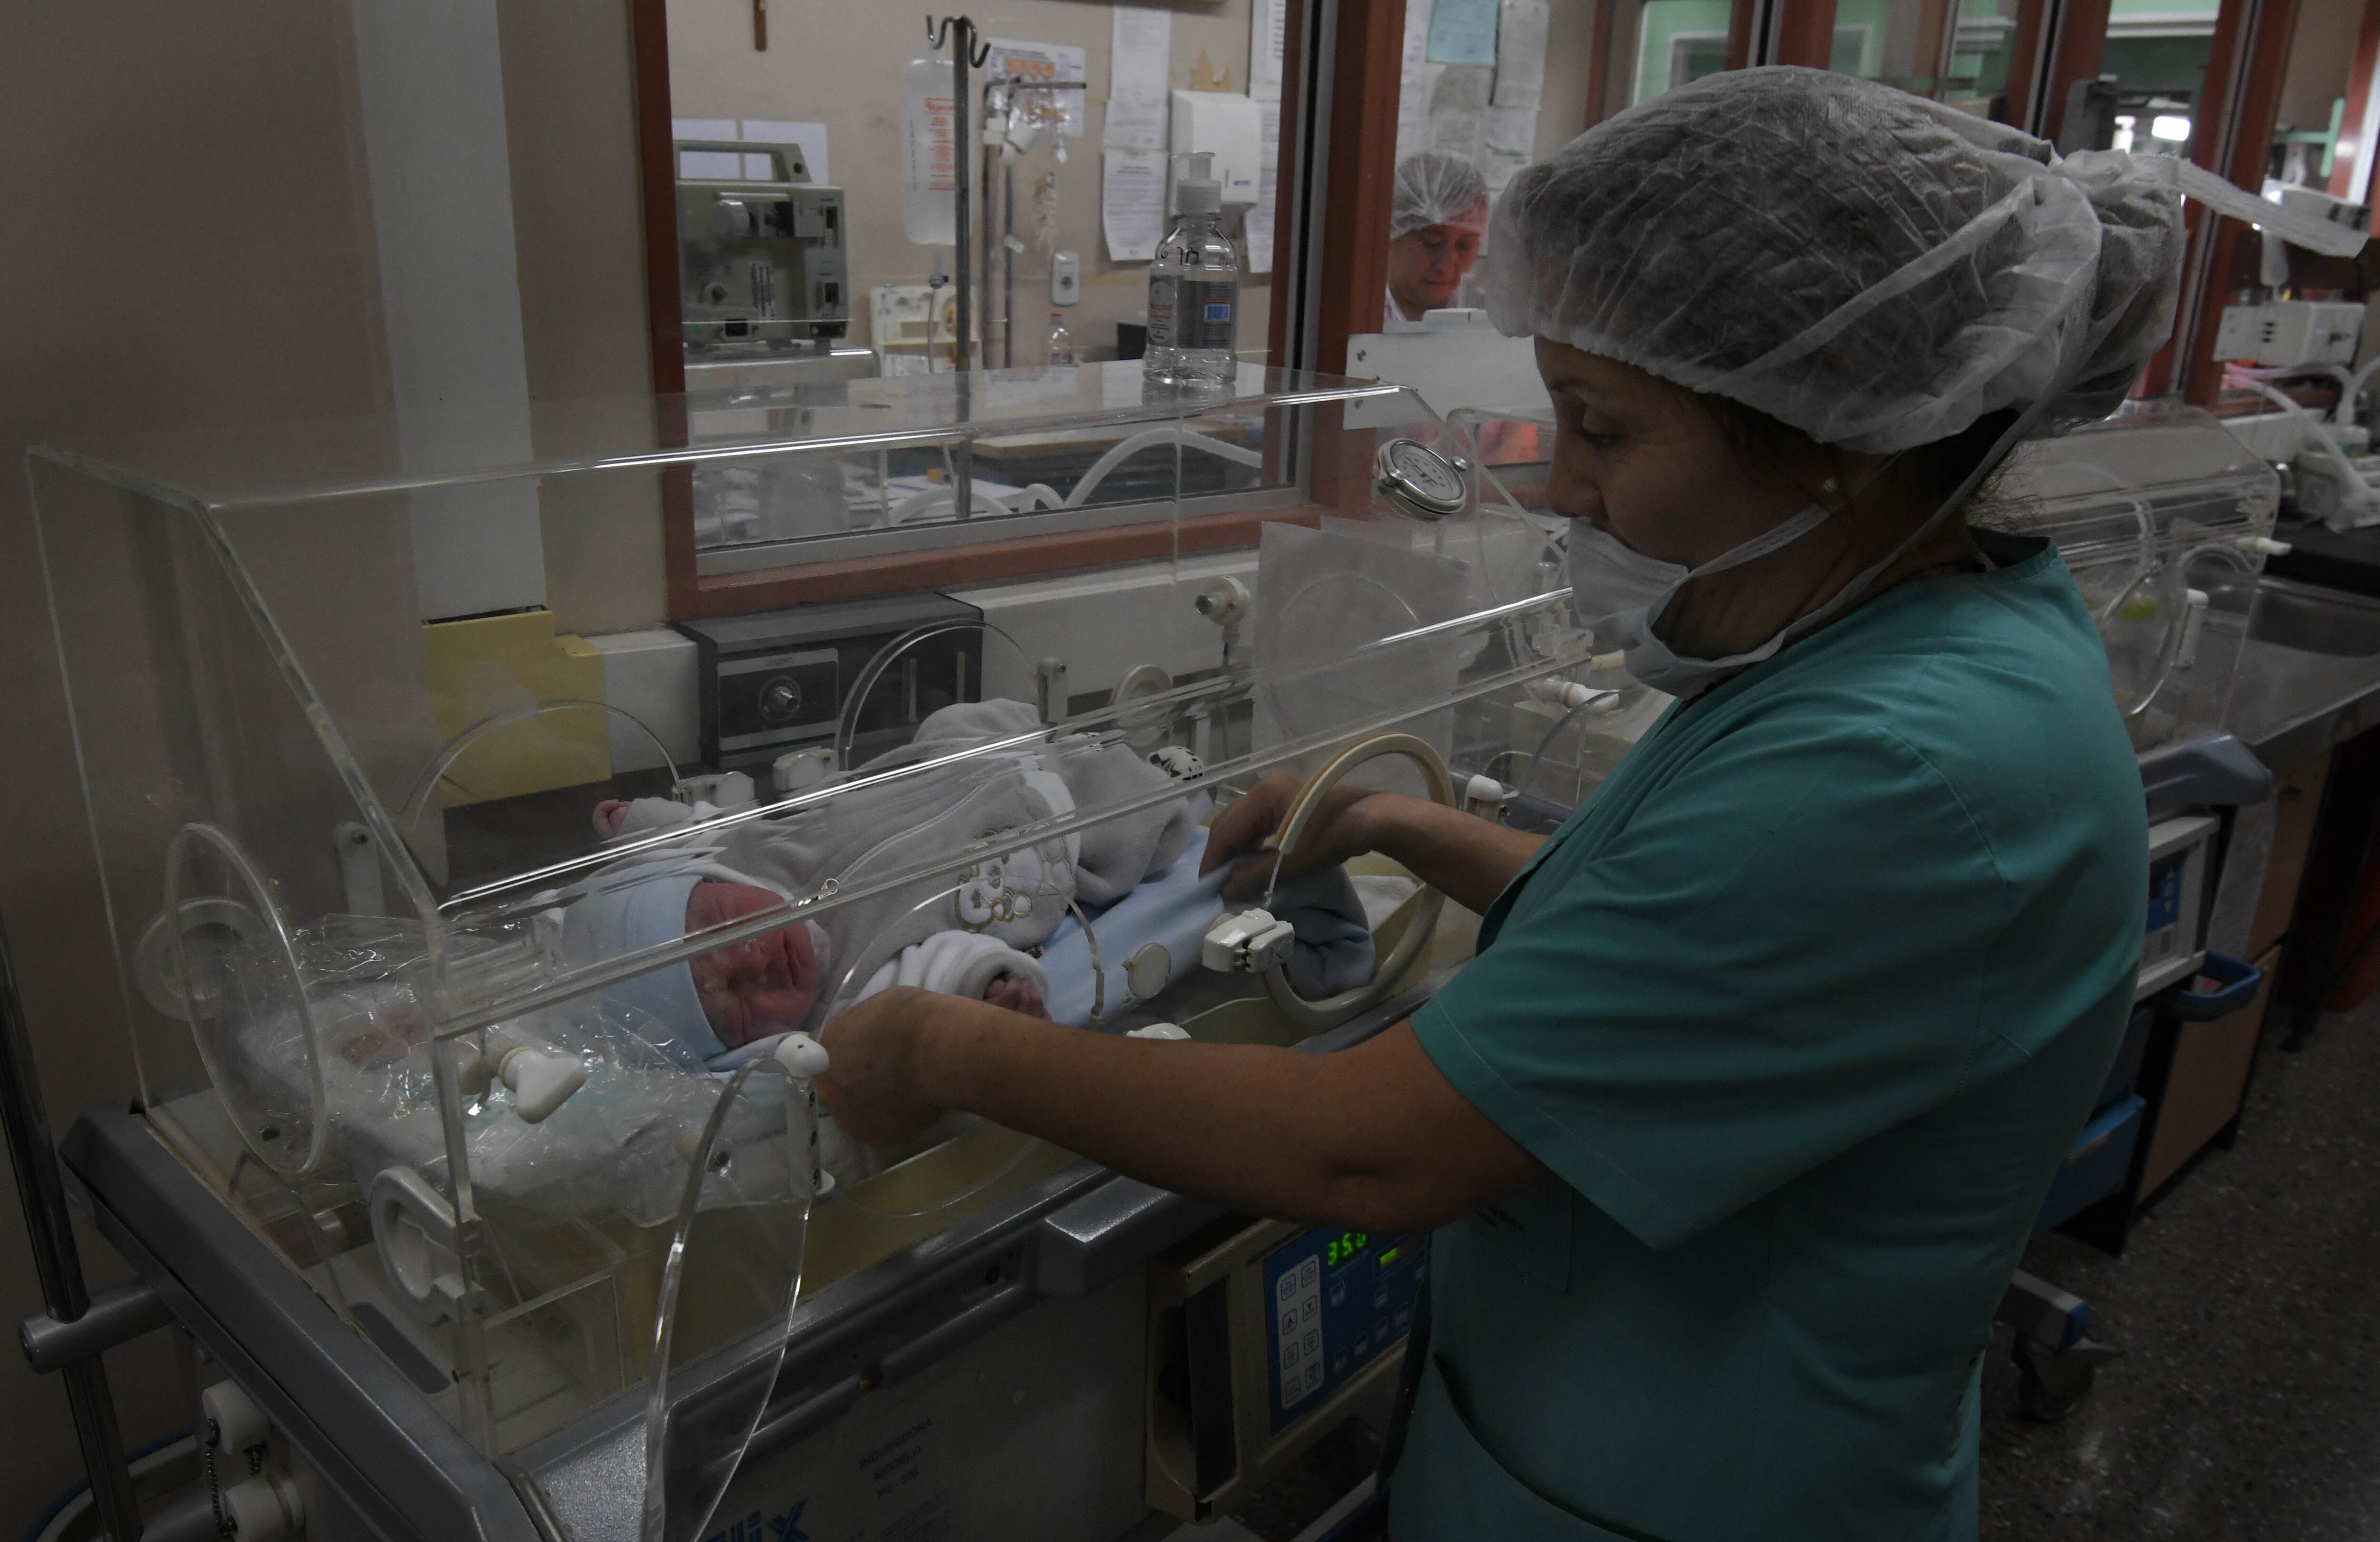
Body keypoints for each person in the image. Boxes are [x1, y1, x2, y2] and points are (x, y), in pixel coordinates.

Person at [811, 68, 2323, 1538]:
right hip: (1597, 1445)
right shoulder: (1907, 642)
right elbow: (1695, 955)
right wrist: (1403, 825)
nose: (1557, 490)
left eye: (1600, 430)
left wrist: (949, 1047)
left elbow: (1367, 1153)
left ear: (1842, 440)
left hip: (1694, 1488)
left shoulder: (1894, 768)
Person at [1385, 151, 1490, 326]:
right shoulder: (1357, 314)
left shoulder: (1489, 319)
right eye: (1432, 242)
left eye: (1465, 246)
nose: (1446, 266)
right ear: (1393, 233)